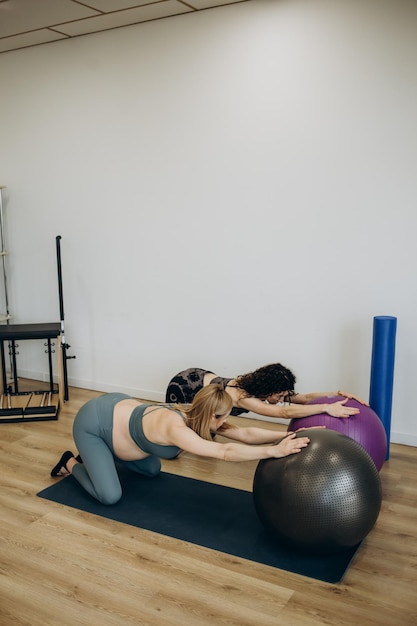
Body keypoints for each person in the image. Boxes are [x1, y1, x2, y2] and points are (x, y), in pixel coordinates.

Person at [50, 385, 311, 505]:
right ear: (212, 415)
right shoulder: (175, 427)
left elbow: (244, 435)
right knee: (110, 496)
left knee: (152, 470)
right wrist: (274, 451)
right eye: (223, 418)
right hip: (94, 423)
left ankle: (105, 456)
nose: (225, 423)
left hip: (119, 409)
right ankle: (71, 463)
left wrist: (294, 432)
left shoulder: (196, 415)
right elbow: (225, 452)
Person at [165, 364, 368, 421]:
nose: (282, 400)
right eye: (279, 396)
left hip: (205, 378)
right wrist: (325, 408)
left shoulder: (269, 392)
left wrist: (339, 394)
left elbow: (304, 398)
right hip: (186, 387)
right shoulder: (242, 397)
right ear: (267, 390)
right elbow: (284, 413)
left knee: (211, 428)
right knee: (186, 430)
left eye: (283, 395)